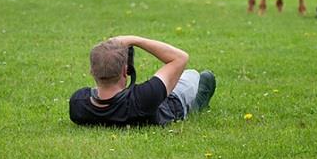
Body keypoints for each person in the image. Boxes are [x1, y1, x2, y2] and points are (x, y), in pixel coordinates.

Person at [69, 35, 216, 127]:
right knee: (193, 75)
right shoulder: (142, 98)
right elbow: (180, 58)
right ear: (125, 71)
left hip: (148, 101)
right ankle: (195, 105)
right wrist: (136, 40)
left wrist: (107, 52)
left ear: (92, 72)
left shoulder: (79, 104)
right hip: (172, 105)